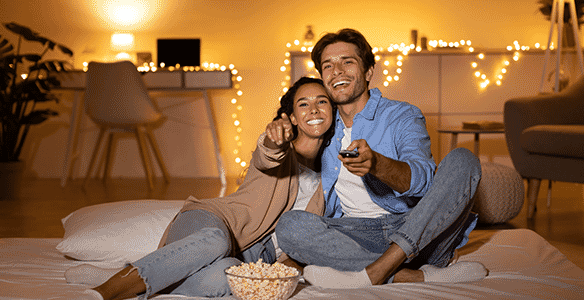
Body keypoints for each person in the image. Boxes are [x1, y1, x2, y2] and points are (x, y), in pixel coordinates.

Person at [64, 77, 335, 300]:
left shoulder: (332, 177)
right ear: (293, 118)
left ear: (332, 112)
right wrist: (274, 140)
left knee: (231, 278)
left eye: (322, 101)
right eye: (304, 103)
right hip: (212, 222)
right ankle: (104, 292)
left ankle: (134, 274)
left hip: (248, 258)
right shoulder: (280, 150)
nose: (313, 109)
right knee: (215, 241)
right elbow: (267, 153)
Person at [275, 28, 487, 288]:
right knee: (290, 226)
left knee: (464, 160)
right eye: (328, 65)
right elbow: (290, 152)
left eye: (347, 62)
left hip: (415, 229)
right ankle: (408, 275)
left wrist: (377, 164)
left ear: (367, 72)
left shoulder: (403, 115)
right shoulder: (324, 125)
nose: (337, 71)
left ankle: (377, 271)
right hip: (355, 233)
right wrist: (274, 137)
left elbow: (422, 180)